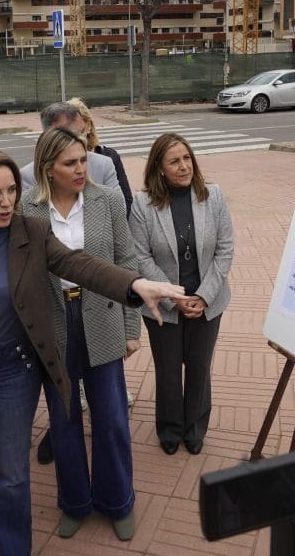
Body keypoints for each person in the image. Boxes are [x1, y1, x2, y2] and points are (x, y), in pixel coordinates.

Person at [0, 149, 185, 554]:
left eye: (10, 190)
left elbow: (81, 266)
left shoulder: (34, 233)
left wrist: (135, 286)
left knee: (12, 474)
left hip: (13, 369)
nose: (6, 202)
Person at [21, 128, 141, 541]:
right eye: (69, 163)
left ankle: (118, 501)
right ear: (47, 168)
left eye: (82, 160)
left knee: (110, 418)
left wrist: (130, 327)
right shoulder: (27, 209)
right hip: (55, 323)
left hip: (103, 317)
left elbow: (125, 260)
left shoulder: (106, 200)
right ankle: (74, 502)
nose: (80, 169)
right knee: (64, 419)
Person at [129, 132, 234, 456]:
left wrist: (203, 296)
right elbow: (140, 256)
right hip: (163, 304)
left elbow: (224, 250)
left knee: (200, 366)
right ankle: (170, 428)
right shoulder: (143, 205)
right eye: (174, 161)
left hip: (207, 300)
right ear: (159, 167)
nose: (184, 166)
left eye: (187, 158)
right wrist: (173, 296)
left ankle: (195, 427)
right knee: (169, 369)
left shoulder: (212, 196)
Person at [19, 102, 118, 194]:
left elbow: (119, 209)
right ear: (49, 136)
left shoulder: (104, 164)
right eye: (70, 136)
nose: (83, 139)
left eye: (83, 131)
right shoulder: (28, 176)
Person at [67, 96, 133, 215]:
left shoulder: (109, 157)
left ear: (88, 126)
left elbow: (126, 202)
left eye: (79, 132)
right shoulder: (60, 160)